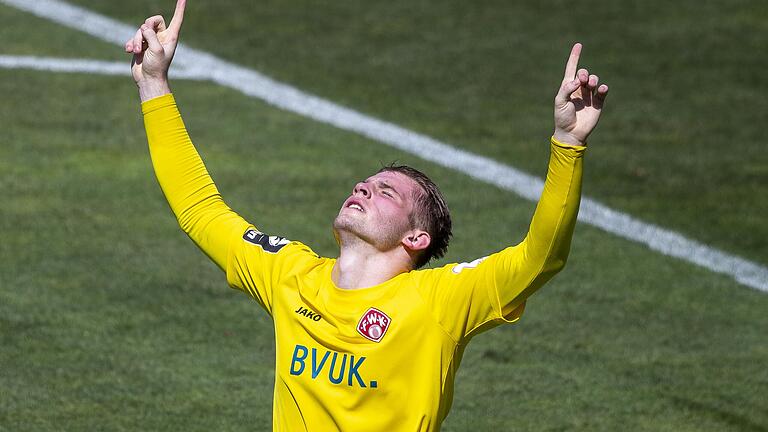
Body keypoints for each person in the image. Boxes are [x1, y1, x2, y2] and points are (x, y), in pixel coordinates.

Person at [125, 1, 608, 430]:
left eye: (386, 192)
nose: (362, 188)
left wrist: (567, 146)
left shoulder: (439, 301)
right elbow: (199, 208)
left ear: (417, 239)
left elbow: (539, 258)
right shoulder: (289, 275)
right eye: (365, 183)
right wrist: (153, 84)